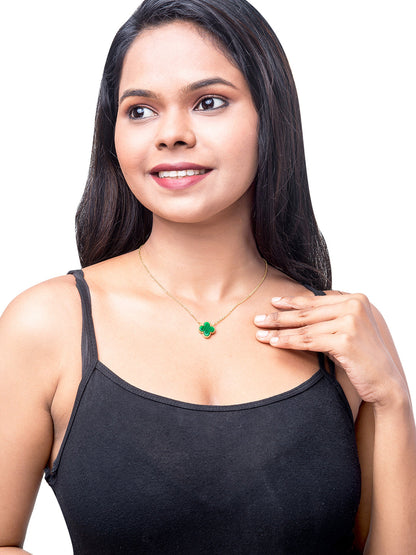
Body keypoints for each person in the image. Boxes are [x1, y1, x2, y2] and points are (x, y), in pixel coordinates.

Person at [1, 0, 415, 553]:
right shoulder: (46, 324)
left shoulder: (342, 330)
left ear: (270, 117)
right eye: (140, 110)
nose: (171, 133)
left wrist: (393, 400)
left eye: (209, 102)